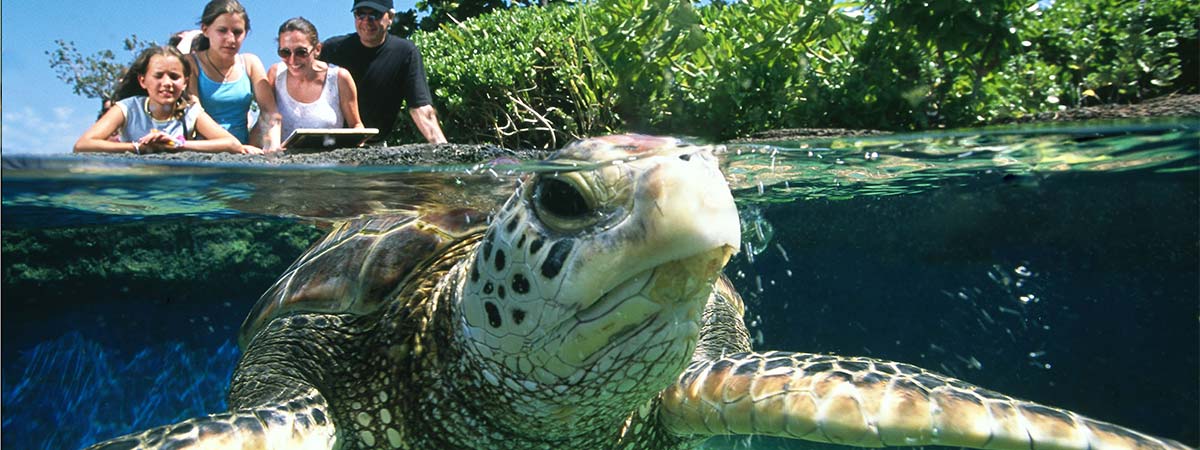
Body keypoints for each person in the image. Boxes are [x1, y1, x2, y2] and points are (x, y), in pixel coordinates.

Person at [74, 46, 247, 154]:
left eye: (174, 77)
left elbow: (231, 144)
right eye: (158, 76)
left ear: (185, 82)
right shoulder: (128, 108)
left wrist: (177, 145)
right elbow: (83, 144)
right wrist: (136, 148)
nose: (167, 83)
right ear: (143, 81)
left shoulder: (190, 112)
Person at [319, 0, 447, 144]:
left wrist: (441, 146)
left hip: (375, 146)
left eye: (375, 15)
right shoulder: (333, 49)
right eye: (360, 14)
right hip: (328, 143)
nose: (367, 22)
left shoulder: (405, 53)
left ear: (390, 17)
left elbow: (420, 106)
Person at [188, 0, 280, 152]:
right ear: (205, 30)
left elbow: (269, 111)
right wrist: (234, 146)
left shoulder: (250, 63)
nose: (230, 39)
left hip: (245, 151)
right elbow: (195, 113)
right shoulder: (191, 64)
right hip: (203, 150)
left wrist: (271, 146)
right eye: (222, 30)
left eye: (237, 32)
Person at [268, 17, 364, 144]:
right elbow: (263, 121)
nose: (292, 60)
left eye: (301, 52)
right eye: (285, 52)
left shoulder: (339, 78)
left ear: (317, 49)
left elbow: (356, 126)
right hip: (284, 162)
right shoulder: (276, 75)